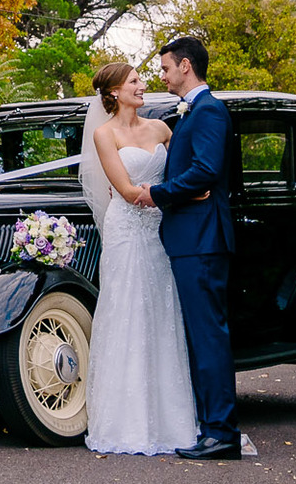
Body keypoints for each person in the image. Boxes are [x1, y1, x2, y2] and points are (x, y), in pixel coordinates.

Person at [77, 59, 200, 455]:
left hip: (160, 229)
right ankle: (126, 421)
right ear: (114, 92)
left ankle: (170, 420)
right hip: (127, 230)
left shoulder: (163, 128)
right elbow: (127, 192)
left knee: (161, 313)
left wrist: (187, 193)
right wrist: (158, 195)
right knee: (127, 311)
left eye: (141, 79)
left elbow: (183, 174)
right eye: (134, 81)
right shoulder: (103, 134)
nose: (142, 84)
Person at [139, 34, 240, 460]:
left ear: (185, 66)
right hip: (189, 237)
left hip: (201, 239)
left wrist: (159, 193)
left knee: (208, 336)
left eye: (165, 68)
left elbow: (205, 170)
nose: (161, 75)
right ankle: (209, 426)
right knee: (200, 337)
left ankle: (222, 433)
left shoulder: (209, 111)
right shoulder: (191, 112)